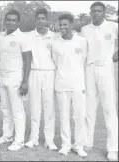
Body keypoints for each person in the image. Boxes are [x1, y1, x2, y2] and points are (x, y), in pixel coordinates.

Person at [81, 2, 118, 161]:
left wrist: (117, 54)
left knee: (109, 109)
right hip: (89, 69)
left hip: (105, 68)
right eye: (93, 11)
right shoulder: (85, 29)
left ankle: (113, 148)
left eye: (99, 11)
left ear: (104, 12)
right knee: (89, 109)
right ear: (90, 13)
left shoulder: (113, 26)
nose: (96, 13)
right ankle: (86, 143)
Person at [0, 9, 32, 151]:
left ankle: (19, 140)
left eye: (13, 20)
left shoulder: (22, 38)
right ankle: (7, 135)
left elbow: (28, 61)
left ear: (18, 22)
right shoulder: (1, 37)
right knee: (5, 109)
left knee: (17, 109)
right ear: (5, 21)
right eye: (8, 19)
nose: (10, 22)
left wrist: (25, 81)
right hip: (2, 76)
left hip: (16, 77)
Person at [50, 13, 88, 157]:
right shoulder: (55, 42)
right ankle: (65, 144)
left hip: (78, 84)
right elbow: (55, 62)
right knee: (64, 116)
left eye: (65, 24)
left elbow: (83, 61)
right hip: (61, 84)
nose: (62, 27)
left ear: (72, 25)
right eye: (61, 25)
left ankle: (78, 145)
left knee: (79, 115)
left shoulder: (82, 41)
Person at [24, 8, 58, 151]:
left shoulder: (54, 36)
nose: (40, 21)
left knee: (48, 107)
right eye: (38, 18)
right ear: (35, 20)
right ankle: (34, 138)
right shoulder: (29, 36)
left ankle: (49, 140)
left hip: (49, 73)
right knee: (35, 107)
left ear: (46, 20)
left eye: (43, 18)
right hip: (34, 73)